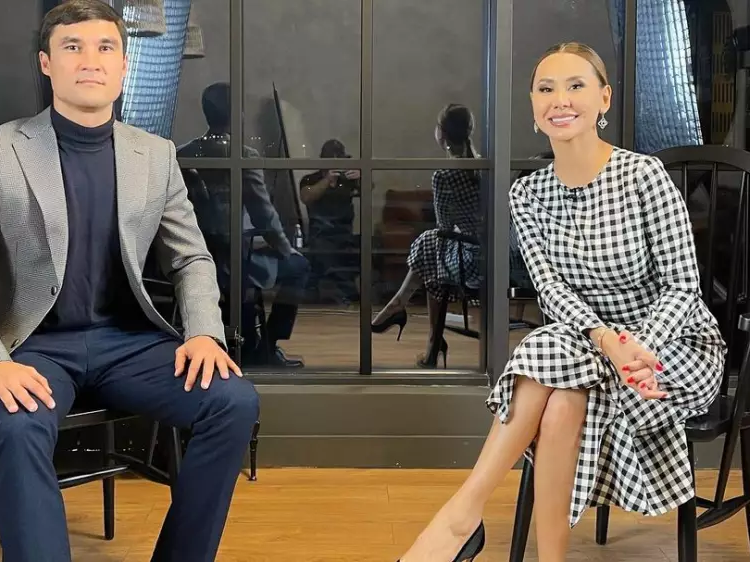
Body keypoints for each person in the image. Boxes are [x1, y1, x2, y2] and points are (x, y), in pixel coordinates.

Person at [0, 2, 259, 561]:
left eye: (105, 47)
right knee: (16, 425)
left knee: (233, 401)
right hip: (30, 348)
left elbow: (191, 259)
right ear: (46, 63)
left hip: (127, 345)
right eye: (72, 47)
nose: (90, 60)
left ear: (124, 65)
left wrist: (204, 332)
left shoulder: (155, 156)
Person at [396, 41, 725, 562]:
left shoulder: (643, 176)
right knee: (561, 401)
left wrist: (636, 347)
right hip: (584, 343)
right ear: (533, 105)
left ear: (604, 99)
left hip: (669, 346)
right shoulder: (527, 195)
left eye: (576, 86)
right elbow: (552, 291)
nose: (560, 100)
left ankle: (461, 517)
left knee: (548, 358)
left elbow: (683, 287)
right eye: (546, 89)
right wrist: (605, 339)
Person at [177, 81, 308, 368]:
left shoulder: (182, 153)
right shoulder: (243, 155)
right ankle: (267, 347)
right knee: (299, 266)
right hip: (235, 254)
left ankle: (246, 337)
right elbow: (264, 215)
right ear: (236, 114)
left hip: (196, 251)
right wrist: (285, 249)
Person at [370, 104, 484, 368]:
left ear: (441, 133)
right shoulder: (483, 165)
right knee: (432, 245)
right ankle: (429, 340)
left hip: (471, 262)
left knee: (431, 244)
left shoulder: (444, 175)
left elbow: (445, 226)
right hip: (494, 254)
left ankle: (404, 310)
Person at [299, 138, 361, 305]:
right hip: (321, 234)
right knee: (327, 253)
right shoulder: (310, 179)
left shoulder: (347, 180)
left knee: (369, 247)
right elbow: (306, 197)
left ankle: (345, 291)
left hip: (345, 233)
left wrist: (362, 176)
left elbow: (369, 190)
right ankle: (344, 291)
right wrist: (327, 180)